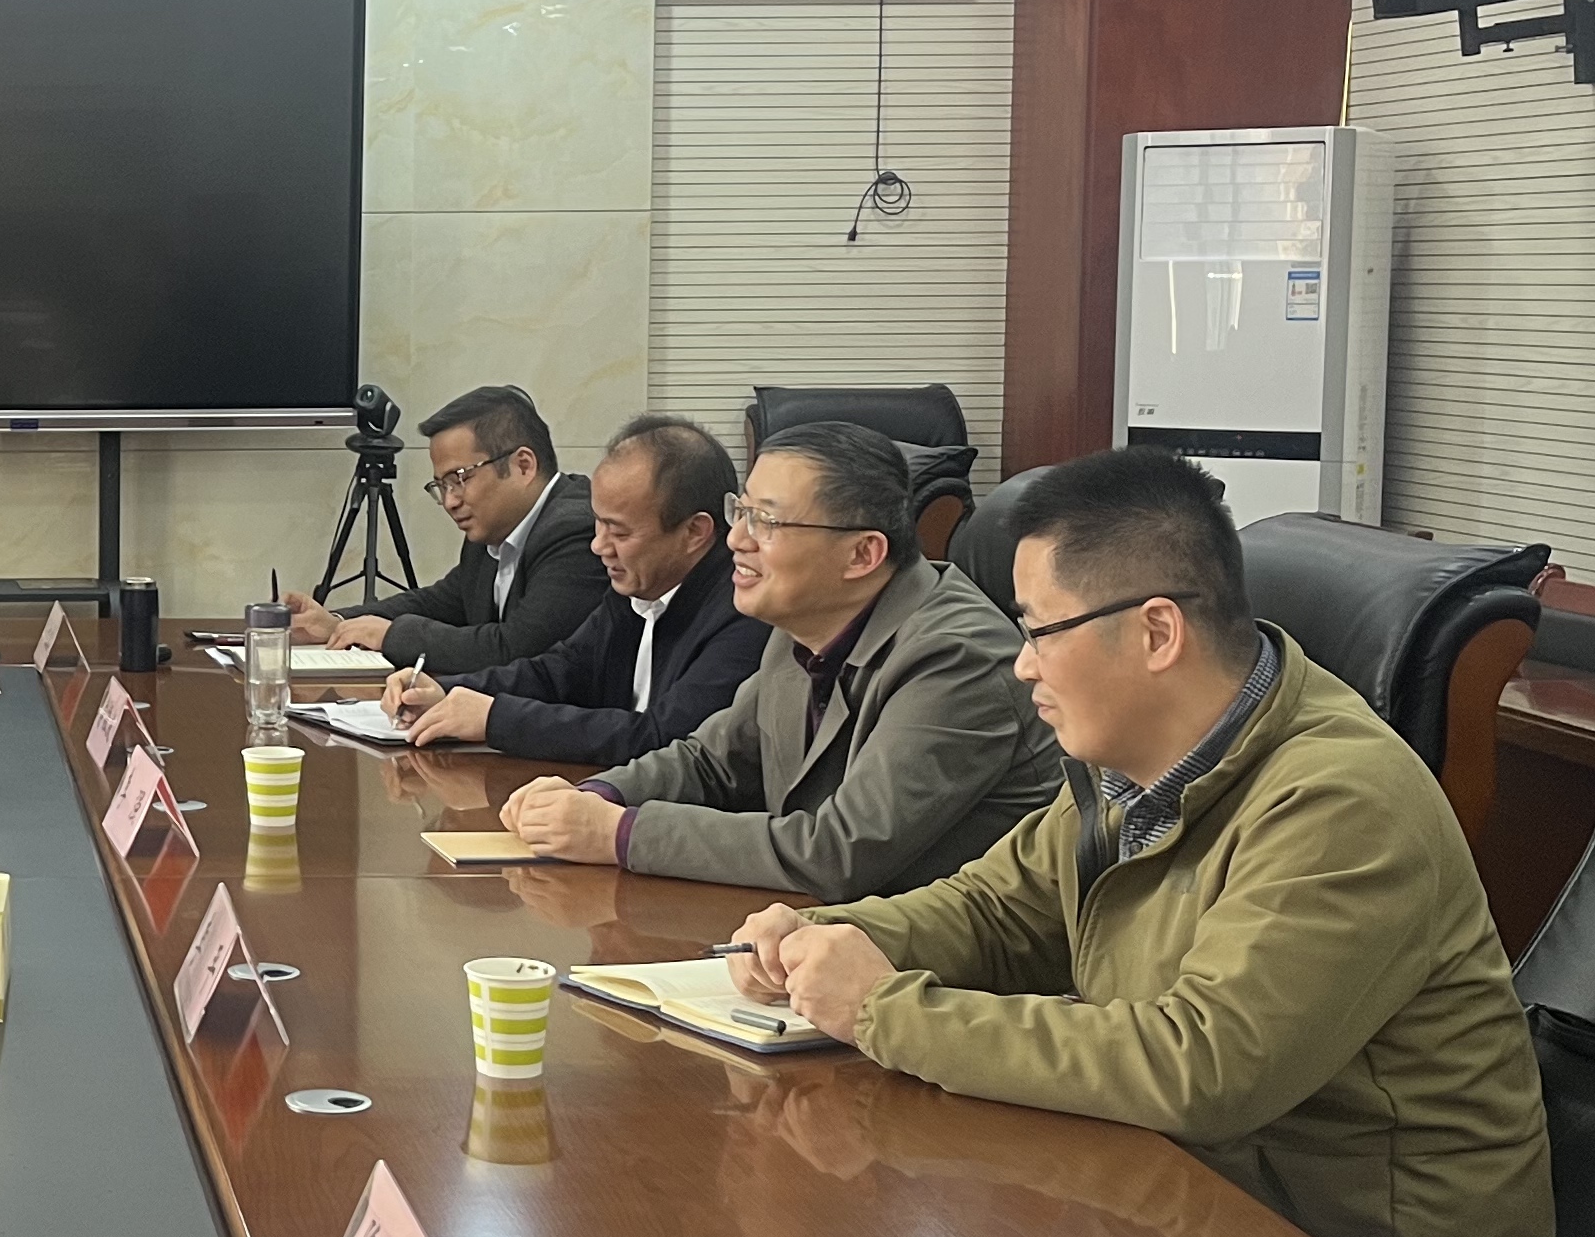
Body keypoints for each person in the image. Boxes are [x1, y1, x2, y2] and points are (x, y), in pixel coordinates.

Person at [731, 447, 1553, 1237]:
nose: (1022, 664)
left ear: (1157, 632)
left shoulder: (1343, 801)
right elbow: (995, 913)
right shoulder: (1134, 757)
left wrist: (880, 1010)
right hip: (1180, 1206)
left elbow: (1203, 1067)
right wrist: (824, 935)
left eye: (1040, 631)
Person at [498, 418, 1056, 899]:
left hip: (945, 964)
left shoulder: (957, 658)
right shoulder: (805, 622)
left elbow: (838, 852)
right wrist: (598, 795)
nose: (735, 540)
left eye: (766, 522)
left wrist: (618, 833)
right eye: (740, 511)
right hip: (821, 930)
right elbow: (710, 761)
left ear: (862, 553)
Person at [379, 413, 767, 767]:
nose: (599, 545)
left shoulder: (745, 613)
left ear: (695, 532)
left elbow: (665, 740)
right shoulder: (636, 585)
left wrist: (496, 718)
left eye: (619, 532)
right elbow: (560, 672)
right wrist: (445, 692)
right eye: (598, 522)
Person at [287, 383, 608, 675]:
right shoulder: (494, 530)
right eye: (441, 486)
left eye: (460, 478)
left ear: (523, 466)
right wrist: (338, 623)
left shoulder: (576, 532)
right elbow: (440, 603)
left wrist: (391, 636)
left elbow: (516, 650)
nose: (450, 501)